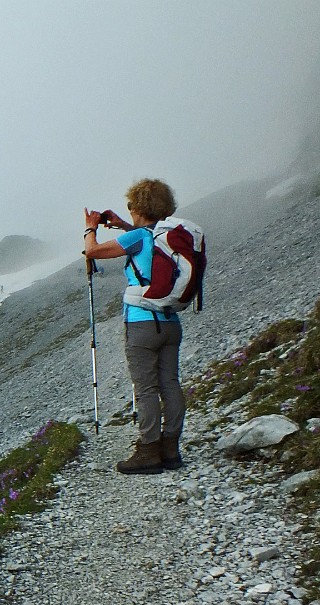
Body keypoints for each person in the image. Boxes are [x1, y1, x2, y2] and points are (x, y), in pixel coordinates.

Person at [83, 178, 185, 474]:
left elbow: (93, 251)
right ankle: (170, 449)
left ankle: (148, 451)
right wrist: (123, 225)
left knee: (146, 387)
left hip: (141, 324)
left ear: (139, 206)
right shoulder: (164, 236)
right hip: (170, 322)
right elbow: (142, 241)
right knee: (170, 383)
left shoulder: (138, 236)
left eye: (131, 206)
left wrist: (91, 228)